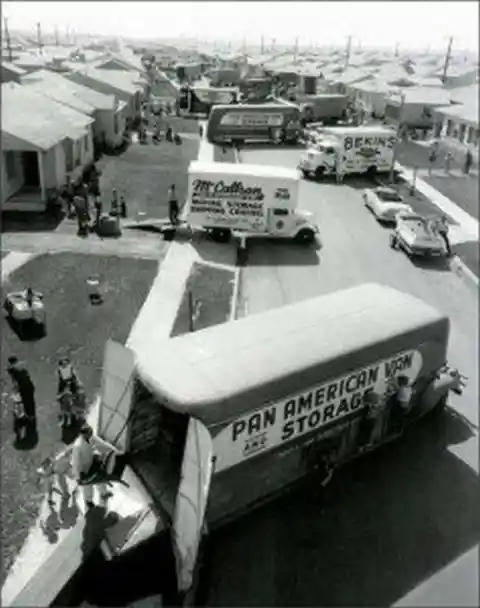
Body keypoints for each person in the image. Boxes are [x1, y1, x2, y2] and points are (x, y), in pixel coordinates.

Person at [71, 424, 109, 510]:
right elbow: (75, 461)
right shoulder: (78, 446)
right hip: (83, 470)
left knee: (100, 478)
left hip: (92, 463)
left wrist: (115, 451)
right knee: (88, 486)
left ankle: (104, 493)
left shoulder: (91, 438)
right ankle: (88, 501)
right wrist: (78, 475)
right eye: (89, 433)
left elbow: (103, 445)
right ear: (83, 434)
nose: (91, 434)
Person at [7, 356, 37, 432]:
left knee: (25, 401)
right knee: (31, 400)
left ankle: (28, 417)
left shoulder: (12, 370)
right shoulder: (22, 366)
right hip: (30, 386)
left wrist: (15, 388)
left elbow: (15, 381)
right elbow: (28, 375)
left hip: (23, 388)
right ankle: (32, 415)